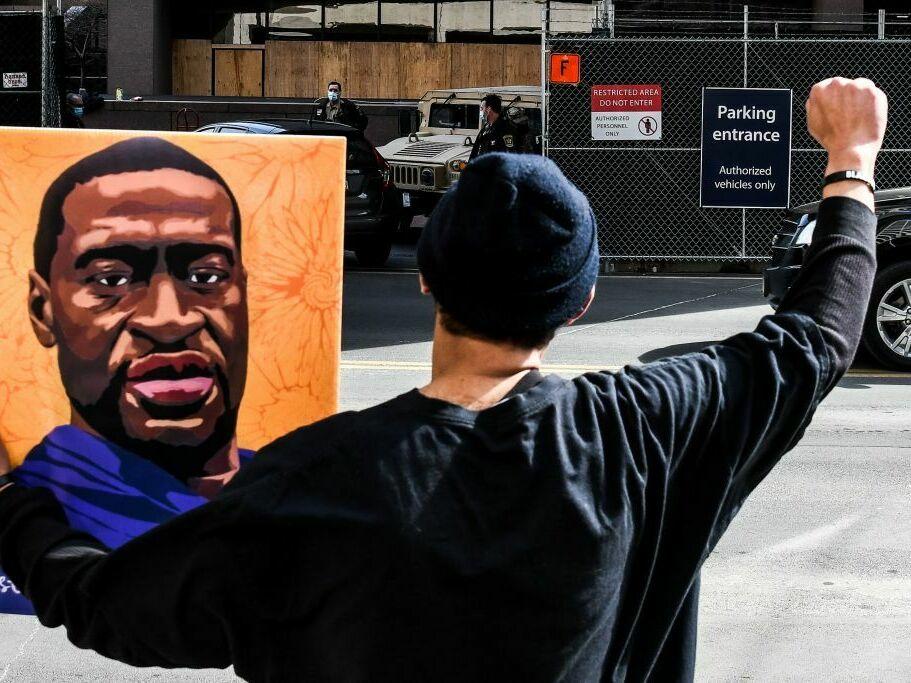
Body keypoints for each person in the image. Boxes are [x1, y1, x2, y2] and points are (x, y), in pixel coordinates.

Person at [0, 78, 886, 681]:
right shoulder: (645, 429)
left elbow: (103, 604)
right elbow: (816, 335)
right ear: (579, 300)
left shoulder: (310, 479)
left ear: (425, 278)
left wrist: (15, 503)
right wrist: (850, 164)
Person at [0, 137, 251, 614]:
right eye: (111, 280)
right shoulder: (39, 509)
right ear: (42, 309)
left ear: (244, 292)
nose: (169, 319)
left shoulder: (288, 489)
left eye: (206, 276)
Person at [469, 93, 524, 160]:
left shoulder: (506, 129)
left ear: (489, 109)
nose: (480, 111)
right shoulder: (485, 129)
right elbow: (475, 152)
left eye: (481, 108)